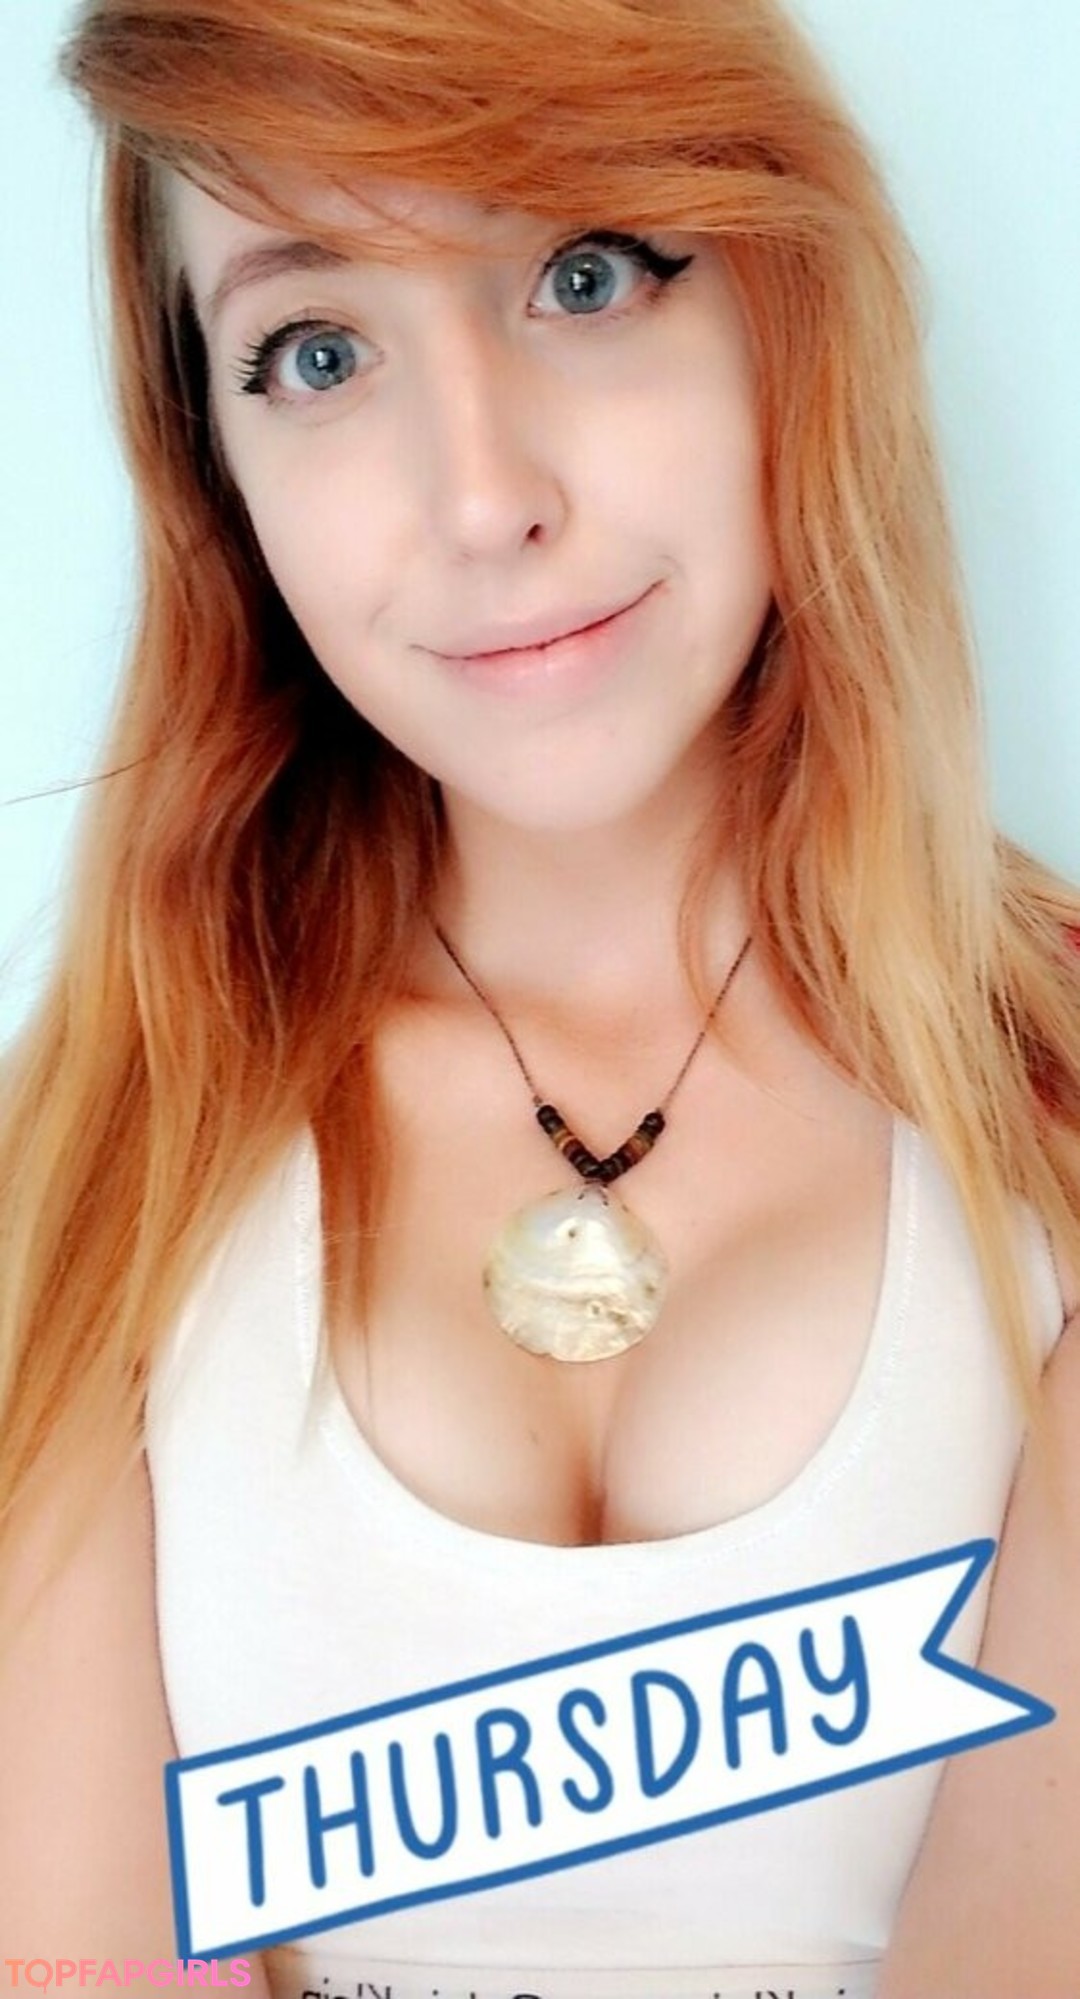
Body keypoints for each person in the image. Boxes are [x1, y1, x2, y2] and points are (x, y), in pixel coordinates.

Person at [1, 0, 1078, 1993]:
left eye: (585, 274)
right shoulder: (90, 1171)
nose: (483, 494)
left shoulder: (1058, 1104)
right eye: (318, 352)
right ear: (216, 469)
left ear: (783, 303)